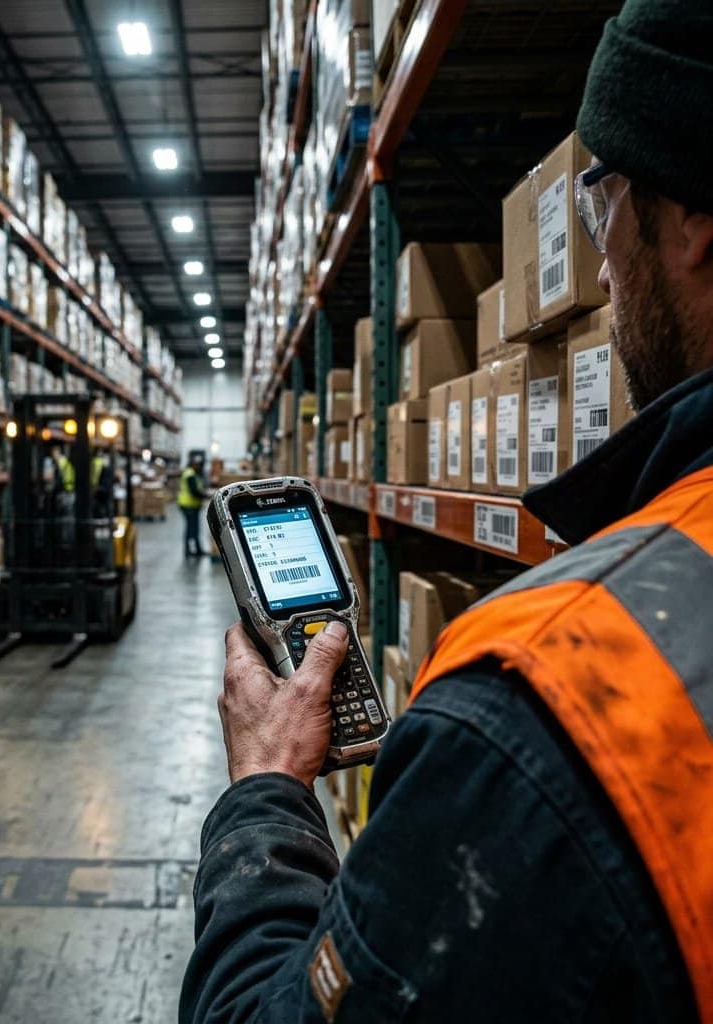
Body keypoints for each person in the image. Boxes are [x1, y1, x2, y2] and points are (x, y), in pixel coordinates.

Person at [182, 3, 713, 1021]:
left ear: (690, 222)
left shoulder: (542, 699)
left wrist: (263, 794)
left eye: (601, 199)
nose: (600, 263)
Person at [177, 452, 207, 558]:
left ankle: (197, 549)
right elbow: (194, 491)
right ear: (194, 464)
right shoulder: (190, 474)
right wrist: (206, 495)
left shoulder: (193, 473)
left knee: (195, 527)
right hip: (188, 505)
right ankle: (188, 551)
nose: (199, 467)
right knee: (191, 528)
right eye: (198, 465)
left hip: (192, 505)